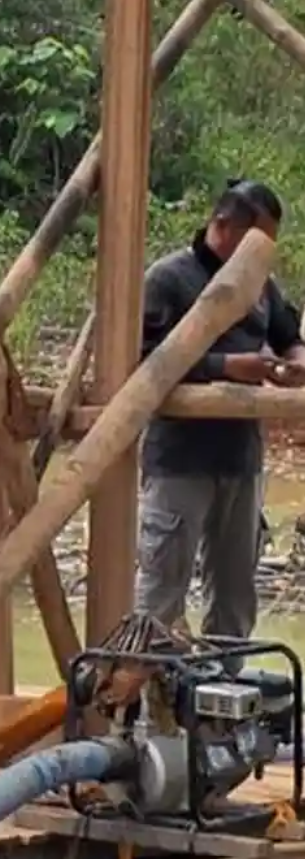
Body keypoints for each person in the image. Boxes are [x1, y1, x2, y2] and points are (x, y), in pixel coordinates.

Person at [134, 179, 305, 643]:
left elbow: (290, 336)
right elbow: (142, 361)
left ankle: (222, 703)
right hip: (179, 461)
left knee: (233, 598)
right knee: (160, 595)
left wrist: (294, 364)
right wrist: (228, 366)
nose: (262, 257)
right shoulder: (168, 279)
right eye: (256, 243)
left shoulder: (262, 285)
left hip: (241, 460)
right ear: (224, 226)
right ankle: (143, 705)